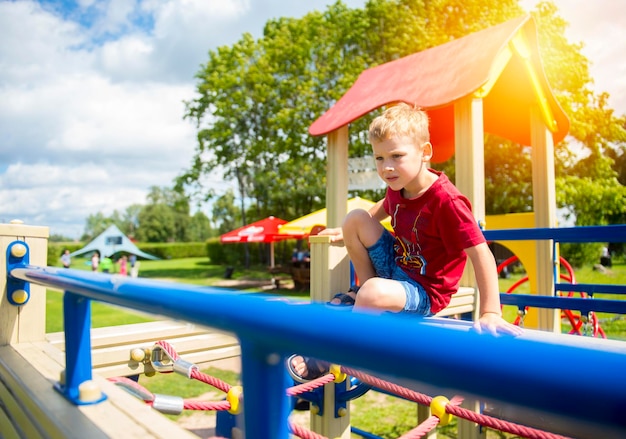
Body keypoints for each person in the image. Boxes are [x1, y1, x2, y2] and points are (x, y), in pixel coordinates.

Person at [288, 103, 522, 382]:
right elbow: (380, 210)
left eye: (396, 156)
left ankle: (337, 355)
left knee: (373, 292)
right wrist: (344, 231)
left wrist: (490, 312)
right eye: (379, 158)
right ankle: (361, 294)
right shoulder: (399, 188)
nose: (387, 167)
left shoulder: (446, 201)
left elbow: (481, 253)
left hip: (425, 291)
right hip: (398, 270)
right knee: (355, 218)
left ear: (425, 152)